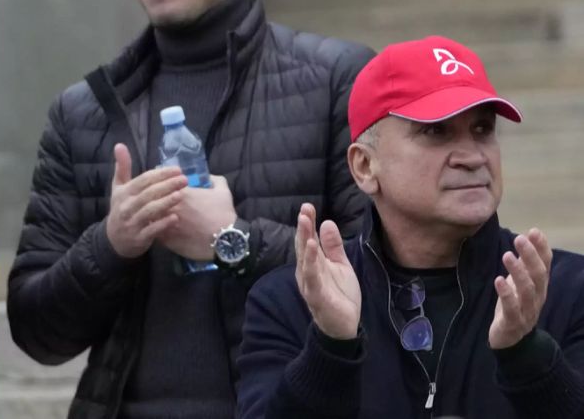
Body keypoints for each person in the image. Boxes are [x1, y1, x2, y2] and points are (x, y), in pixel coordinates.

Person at [7, 0, 374, 418]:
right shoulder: (82, 113)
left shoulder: (337, 81)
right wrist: (111, 244)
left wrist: (235, 241)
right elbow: (35, 332)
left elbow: (387, 283)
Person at [238, 35, 584, 419]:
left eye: (483, 129)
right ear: (365, 167)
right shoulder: (288, 301)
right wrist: (331, 348)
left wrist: (527, 356)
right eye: (436, 131)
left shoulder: (568, 289)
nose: (472, 156)